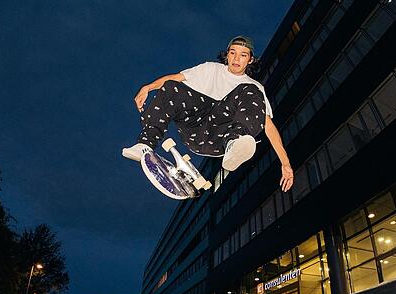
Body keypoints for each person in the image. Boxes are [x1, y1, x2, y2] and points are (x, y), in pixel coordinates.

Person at [122, 35, 294, 192]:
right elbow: (175, 77)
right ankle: (145, 143)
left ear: (250, 60)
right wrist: (148, 87)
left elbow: (268, 126)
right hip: (193, 127)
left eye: (243, 55)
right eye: (233, 53)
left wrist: (285, 164)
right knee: (171, 86)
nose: (236, 59)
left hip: (219, 135)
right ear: (227, 55)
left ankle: (235, 143)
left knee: (249, 89)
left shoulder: (254, 88)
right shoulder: (210, 69)